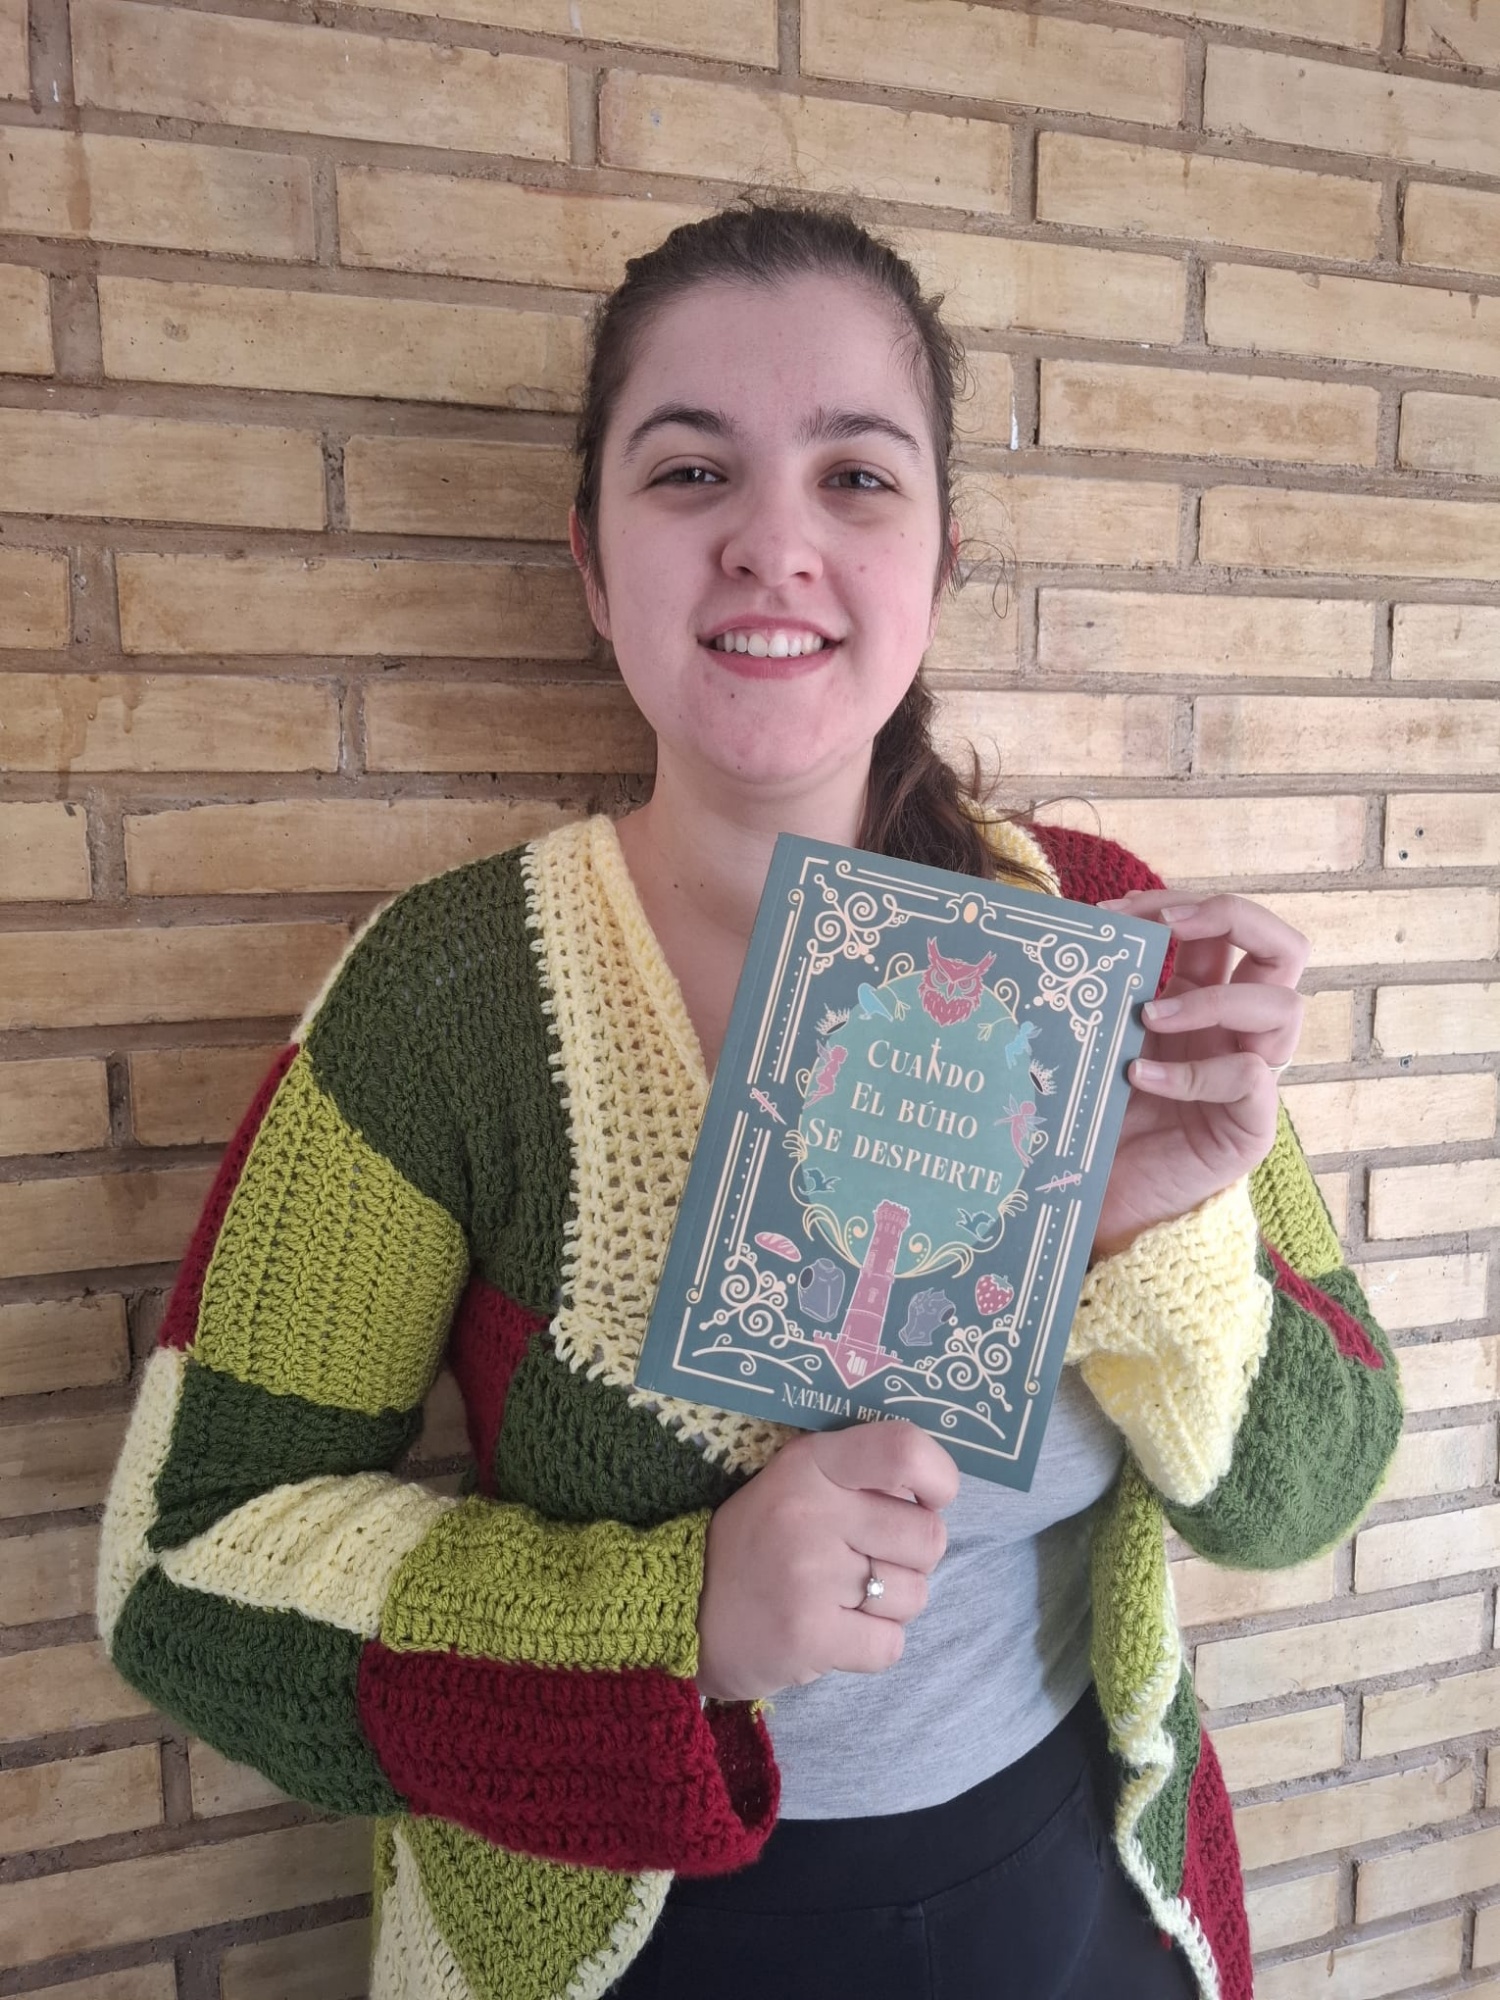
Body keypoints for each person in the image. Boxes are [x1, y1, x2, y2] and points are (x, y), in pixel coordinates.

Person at [97, 200, 1403, 2000]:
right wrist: (675, 1621)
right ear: (592, 561)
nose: (774, 545)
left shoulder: (1098, 942)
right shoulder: (448, 1003)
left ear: (941, 558)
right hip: (623, 1941)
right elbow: (185, 1569)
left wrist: (1155, 1241)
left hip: (1086, 1909)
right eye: (691, 472)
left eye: (857, 478)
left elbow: (1306, 1498)